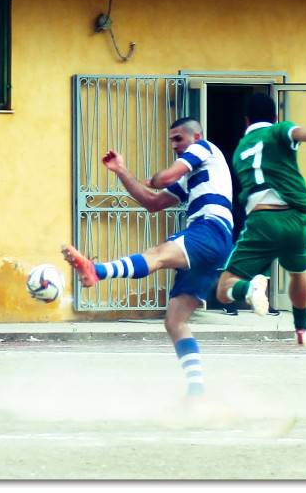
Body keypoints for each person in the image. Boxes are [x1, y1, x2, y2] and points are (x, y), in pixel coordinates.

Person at [62, 117, 234, 397]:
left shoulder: (205, 149)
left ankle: (97, 271)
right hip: (212, 240)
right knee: (175, 320)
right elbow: (152, 202)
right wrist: (121, 171)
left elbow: (163, 179)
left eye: (179, 139)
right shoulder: (190, 177)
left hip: (210, 228)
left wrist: (155, 178)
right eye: (172, 140)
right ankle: (196, 390)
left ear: (197, 136)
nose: (175, 146)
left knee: (159, 254)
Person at [215, 92, 306, 346]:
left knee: (224, 290)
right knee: (298, 273)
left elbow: (265, 185)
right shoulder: (279, 130)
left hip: (262, 222)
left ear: (246, 121)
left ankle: (250, 289)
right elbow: (297, 132)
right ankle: (302, 330)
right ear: (275, 116)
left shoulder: (240, 151)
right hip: (293, 221)